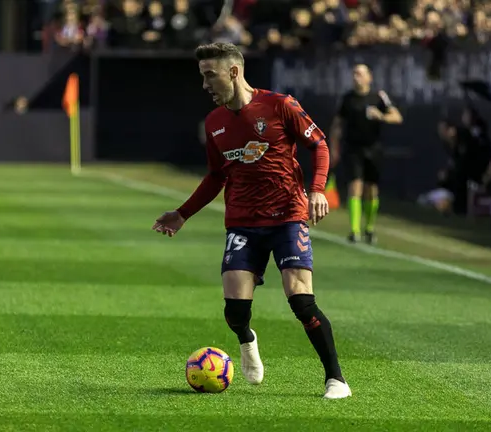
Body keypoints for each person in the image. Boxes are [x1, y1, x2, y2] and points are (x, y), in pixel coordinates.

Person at [151, 42, 351, 399]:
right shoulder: (214, 123)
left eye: (209, 75)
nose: (205, 84)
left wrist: (317, 189)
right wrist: (182, 214)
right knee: (235, 312)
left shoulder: (280, 105)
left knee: (301, 299)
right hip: (242, 222)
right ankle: (246, 339)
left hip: (288, 216)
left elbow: (319, 145)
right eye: (202, 76)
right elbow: (216, 176)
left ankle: (336, 379)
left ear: (233, 72)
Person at [329, 64, 403, 244]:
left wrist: (381, 116)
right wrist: (333, 148)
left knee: (371, 189)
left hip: (373, 148)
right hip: (353, 148)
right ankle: (354, 231)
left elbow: (397, 116)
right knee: (355, 186)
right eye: (354, 73)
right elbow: (337, 125)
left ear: (369, 77)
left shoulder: (378, 97)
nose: (357, 77)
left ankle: (369, 228)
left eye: (360, 74)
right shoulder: (347, 99)